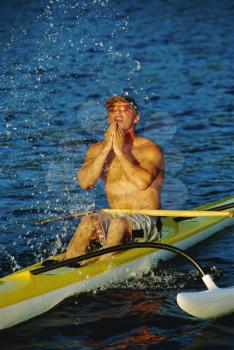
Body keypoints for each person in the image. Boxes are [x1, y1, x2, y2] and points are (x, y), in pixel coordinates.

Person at [64, 95, 164, 260]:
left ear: (137, 118)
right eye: (113, 110)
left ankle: (104, 270)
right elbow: (84, 182)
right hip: (116, 217)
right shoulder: (95, 150)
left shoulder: (150, 149)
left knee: (119, 224)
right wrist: (106, 149)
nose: (117, 113)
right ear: (108, 117)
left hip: (147, 223)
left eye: (124, 109)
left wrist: (119, 150)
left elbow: (142, 182)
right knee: (90, 220)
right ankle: (68, 267)